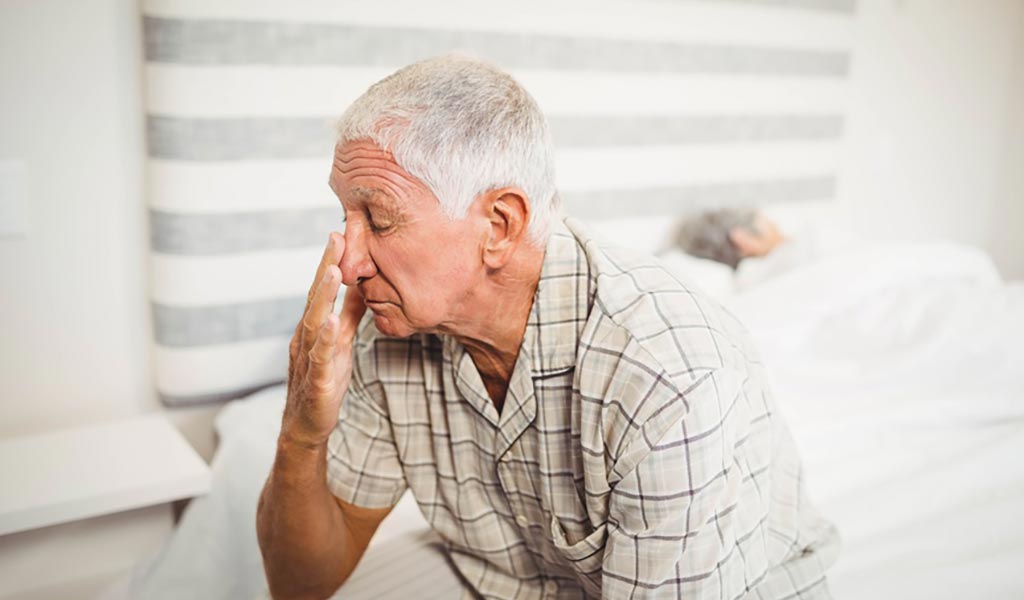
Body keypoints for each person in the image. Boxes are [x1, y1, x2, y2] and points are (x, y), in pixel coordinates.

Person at [256, 54, 839, 599]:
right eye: (344, 217)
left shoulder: (666, 374)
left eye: (378, 219)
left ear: (500, 226)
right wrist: (302, 428)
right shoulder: (388, 331)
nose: (348, 263)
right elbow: (299, 585)